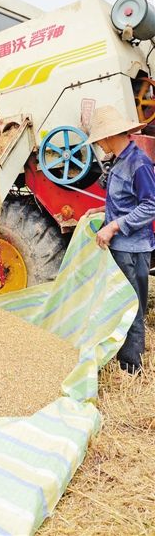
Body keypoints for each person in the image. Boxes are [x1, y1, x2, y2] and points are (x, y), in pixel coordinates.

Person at [84, 104, 155, 374]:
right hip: (123, 246)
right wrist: (103, 210)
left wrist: (114, 225)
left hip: (133, 248)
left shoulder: (138, 164)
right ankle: (127, 356)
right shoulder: (120, 161)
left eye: (99, 140)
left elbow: (150, 205)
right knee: (124, 303)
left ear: (108, 136)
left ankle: (131, 369)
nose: (99, 145)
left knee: (130, 306)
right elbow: (127, 200)